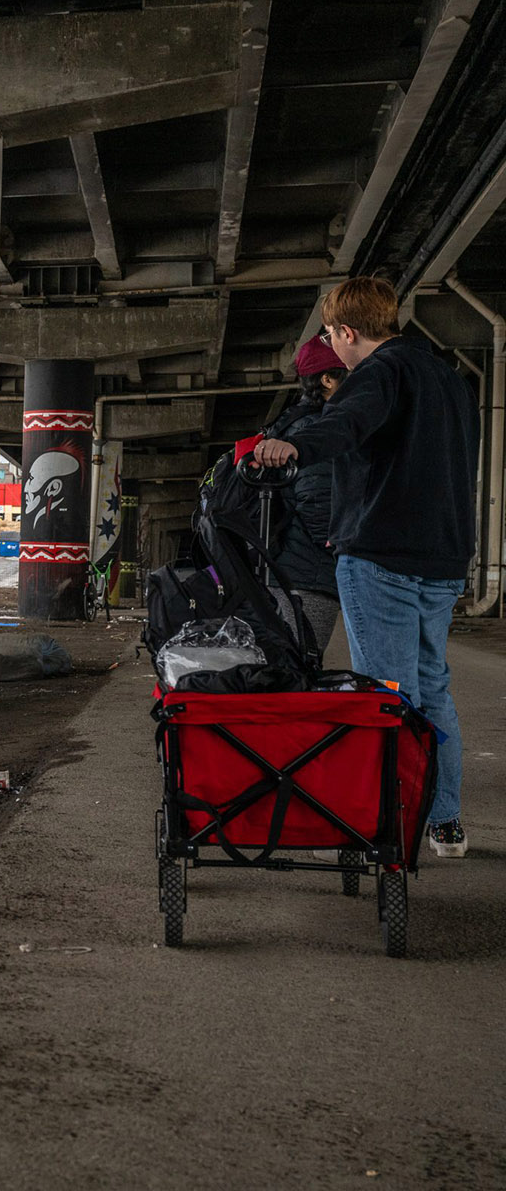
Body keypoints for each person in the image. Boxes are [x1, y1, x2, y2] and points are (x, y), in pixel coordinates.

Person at [255, 278, 479, 857]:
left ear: (348, 332)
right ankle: (444, 822)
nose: (334, 345)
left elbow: (343, 424)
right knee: (432, 688)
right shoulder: (450, 380)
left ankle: (383, 823)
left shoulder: (379, 372)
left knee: (385, 695)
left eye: (332, 334)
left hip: (382, 556)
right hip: (444, 558)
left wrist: (294, 448)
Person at [259, 333, 347, 653]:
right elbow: (319, 500)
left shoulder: (291, 423)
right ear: (327, 380)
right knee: (300, 666)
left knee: (291, 664)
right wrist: (342, 549)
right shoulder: (318, 429)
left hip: (290, 567)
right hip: (308, 573)